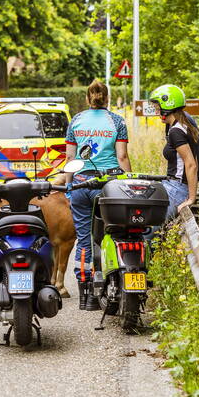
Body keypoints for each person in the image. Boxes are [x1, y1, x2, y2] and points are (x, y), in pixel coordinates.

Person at [64, 79, 131, 310]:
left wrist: (70, 188)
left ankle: (86, 297)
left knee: (84, 240)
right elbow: (121, 157)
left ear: (87, 98)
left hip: (81, 184)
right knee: (110, 235)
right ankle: (110, 285)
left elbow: (70, 160)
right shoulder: (117, 121)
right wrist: (128, 183)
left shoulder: (76, 121)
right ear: (108, 98)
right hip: (108, 187)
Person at [148, 84, 199, 220]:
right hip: (174, 186)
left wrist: (191, 199)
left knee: (148, 228)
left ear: (168, 106)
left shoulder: (176, 131)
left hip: (177, 189)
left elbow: (191, 164)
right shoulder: (183, 125)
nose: (156, 112)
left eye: (157, 108)